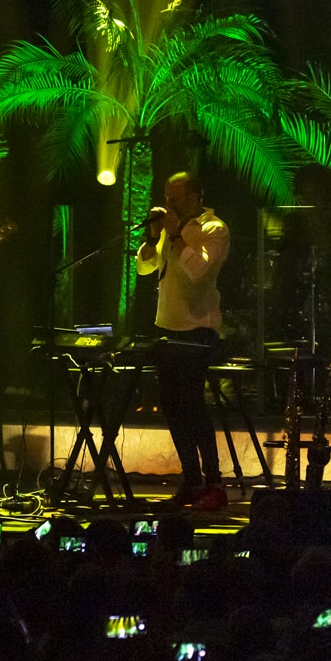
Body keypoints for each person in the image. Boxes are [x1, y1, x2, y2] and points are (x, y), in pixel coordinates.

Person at [136, 171, 231, 510]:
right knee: (173, 408)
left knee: (193, 405)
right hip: (168, 329)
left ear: (194, 197)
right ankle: (191, 478)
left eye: (174, 198)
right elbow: (145, 269)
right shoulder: (170, 231)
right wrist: (152, 238)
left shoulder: (213, 229)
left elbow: (197, 274)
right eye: (166, 197)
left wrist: (175, 233)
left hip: (198, 330)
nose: (168, 204)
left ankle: (214, 480)